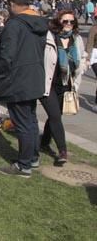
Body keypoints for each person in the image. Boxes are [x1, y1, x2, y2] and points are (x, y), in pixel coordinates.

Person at [0, 0, 48, 178]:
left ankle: (24, 165)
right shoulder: (37, 22)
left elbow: (7, 55)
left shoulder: (15, 24)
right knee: (30, 120)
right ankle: (32, 157)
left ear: (13, 4)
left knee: (23, 122)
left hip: (18, 80)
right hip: (34, 77)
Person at [40, 11, 86, 164]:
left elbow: (82, 58)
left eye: (71, 22)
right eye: (65, 21)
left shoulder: (77, 39)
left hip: (66, 85)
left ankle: (44, 142)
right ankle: (63, 151)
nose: (68, 24)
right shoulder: (50, 37)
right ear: (58, 21)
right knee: (55, 116)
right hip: (49, 83)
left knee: (54, 116)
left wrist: (82, 68)